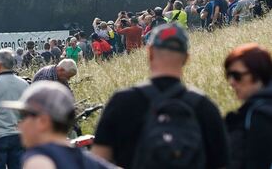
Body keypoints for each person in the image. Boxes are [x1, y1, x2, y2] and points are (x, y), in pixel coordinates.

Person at [91, 23, 229, 168]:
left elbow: (97, 162)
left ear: (150, 52)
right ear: (186, 58)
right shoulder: (204, 107)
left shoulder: (122, 102)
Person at [2, 81, 115, 169]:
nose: (19, 126)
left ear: (43, 121)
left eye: (23, 117)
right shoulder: (90, 161)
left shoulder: (38, 157)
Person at [223, 43, 272, 169]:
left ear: (258, 73)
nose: (231, 82)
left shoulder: (259, 114)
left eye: (236, 76)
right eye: (229, 76)